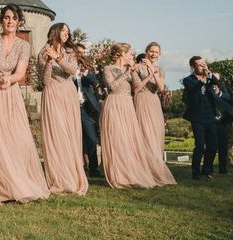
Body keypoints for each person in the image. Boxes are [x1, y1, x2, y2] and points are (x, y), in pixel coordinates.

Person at [0, 4, 50, 203]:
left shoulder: (24, 45)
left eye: (14, 18)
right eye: (6, 17)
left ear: (19, 21)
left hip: (9, 93)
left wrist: (8, 80)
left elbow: (21, 73)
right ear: (1, 20)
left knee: (14, 137)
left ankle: (14, 180)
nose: (10, 21)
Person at [100, 43, 175, 189]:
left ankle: (128, 172)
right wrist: (128, 72)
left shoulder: (132, 69)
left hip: (128, 104)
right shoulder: (108, 69)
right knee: (116, 138)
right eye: (130, 54)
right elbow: (112, 87)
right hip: (114, 103)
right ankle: (116, 174)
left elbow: (138, 88)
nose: (132, 56)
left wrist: (136, 72)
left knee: (128, 139)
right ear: (122, 54)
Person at [38, 23, 88, 195]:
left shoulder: (70, 52)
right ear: (55, 32)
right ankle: (58, 178)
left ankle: (72, 176)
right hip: (52, 94)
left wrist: (58, 57)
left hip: (68, 94)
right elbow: (44, 81)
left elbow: (73, 70)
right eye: (64, 31)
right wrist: (50, 61)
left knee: (70, 134)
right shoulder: (43, 52)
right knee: (57, 134)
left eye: (68, 32)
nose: (67, 34)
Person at [134, 42, 176, 185]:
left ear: (159, 54)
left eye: (156, 52)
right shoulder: (138, 67)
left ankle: (155, 167)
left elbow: (161, 87)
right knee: (144, 133)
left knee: (155, 134)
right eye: (151, 51)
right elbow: (137, 88)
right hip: (141, 100)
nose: (154, 54)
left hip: (154, 102)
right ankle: (143, 169)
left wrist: (152, 69)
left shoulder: (159, 69)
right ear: (146, 51)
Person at [182, 56, 220, 180]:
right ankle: (196, 172)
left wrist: (209, 74)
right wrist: (202, 80)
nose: (202, 66)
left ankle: (207, 171)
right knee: (200, 146)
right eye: (199, 64)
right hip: (197, 117)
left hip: (211, 116)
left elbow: (218, 84)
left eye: (204, 64)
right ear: (193, 67)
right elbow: (193, 91)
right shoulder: (188, 80)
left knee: (213, 145)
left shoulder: (209, 78)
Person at [73, 43, 101, 177]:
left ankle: (94, 168)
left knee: (91, 138)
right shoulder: (67, 67)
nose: (80, 54)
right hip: (70, 107)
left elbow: (94, 82)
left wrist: (84, 72)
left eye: (82, 52)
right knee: (76, 139)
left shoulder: (87, 68)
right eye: (78, 52)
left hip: (85, 108)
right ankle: (81, 167)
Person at [212, 72, 233, 175]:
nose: (215, 80)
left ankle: (223, 169)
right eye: (213, 78)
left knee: (223, 146)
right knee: (211, 146)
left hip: (222, 120)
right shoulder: (207, 86)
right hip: (211, 118)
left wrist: (219, 93)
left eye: (217, 79)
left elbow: (228, 97)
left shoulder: (222, 87)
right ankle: (209, 168)